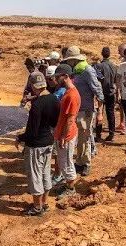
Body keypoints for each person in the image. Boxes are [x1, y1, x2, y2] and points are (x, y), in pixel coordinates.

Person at [17, 72, 59, 215]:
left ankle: (37, 208)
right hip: (48, 141)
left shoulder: (36, 105)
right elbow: (54, 122)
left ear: (33, 86)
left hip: (36, 146)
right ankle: (45, 203)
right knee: (46, 173)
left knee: (35, 175)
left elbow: (32, 132)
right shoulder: (54, 99)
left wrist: (20, 138)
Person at [60, 46, 103, 176]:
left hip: (86, 110)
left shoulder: (87, 70)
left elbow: (98, 90)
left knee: (85, 137)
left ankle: (86, 164)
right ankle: (79, 162)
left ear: (74, 60)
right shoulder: (75, 71)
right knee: (78, 138)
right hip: (76, 109)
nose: (67, 62)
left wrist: (100, 112)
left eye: (69, 60)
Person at [52, 64, 80, 197]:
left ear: (66, 76)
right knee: (63, 161)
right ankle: (68, 184)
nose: (56, 79)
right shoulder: (68, 92)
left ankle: (71, 189)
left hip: (67, 135)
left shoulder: (72, 95)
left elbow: (70, 119)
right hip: (63, 132)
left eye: (58, 76)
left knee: (67, 162)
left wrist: (63, 136)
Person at [94, 47, 119, 143]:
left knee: (99, 112)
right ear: (109, 54)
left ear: (102, 54)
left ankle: (98, 134)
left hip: (101, 92)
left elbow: (98, 78)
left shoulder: (99, 66)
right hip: (111, 92)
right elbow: (116, 80)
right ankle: (111, 133)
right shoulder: (114, 66)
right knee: (110, 113)